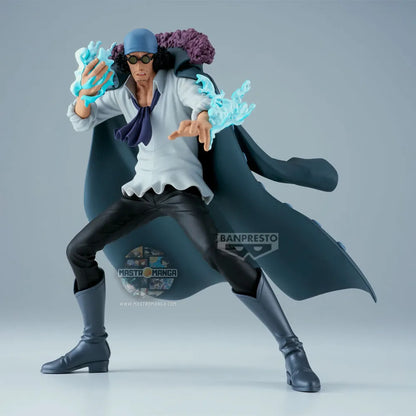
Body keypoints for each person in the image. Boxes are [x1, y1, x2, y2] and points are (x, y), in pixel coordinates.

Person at [40, 28, 321, 393]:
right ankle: (94, 344)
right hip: (141, 192)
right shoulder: (124, 94)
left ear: (155, 58)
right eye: (133, 60)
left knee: (221, 254)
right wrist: (83, 96)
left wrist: (202, 118)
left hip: (180, 191)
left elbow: (200, 101)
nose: (140, 67)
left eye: (145, 59)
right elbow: (83, 118)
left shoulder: (175, 85)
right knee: (78, 250)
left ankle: (293, 351)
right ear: (127, 62)